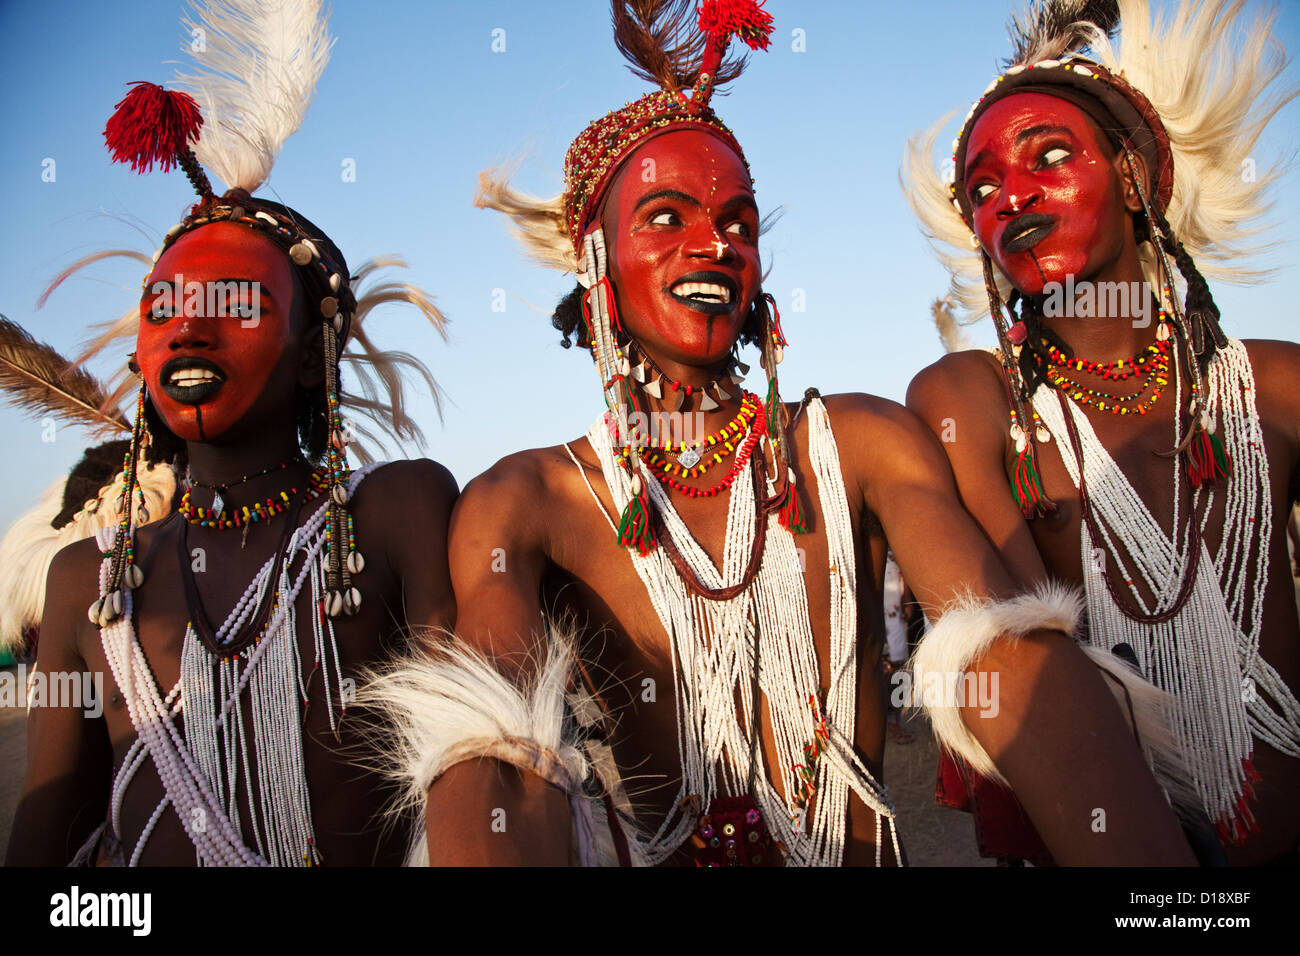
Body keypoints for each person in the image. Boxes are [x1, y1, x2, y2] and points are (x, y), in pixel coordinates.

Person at [365, 0, 1194, 867]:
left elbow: (1007, 653)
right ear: (596, 261)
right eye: (665, 218)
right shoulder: (522, 500)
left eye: (739, 224)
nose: (713, 245)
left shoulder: (862, 442)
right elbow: (498, 752)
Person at [5, 0, 455, 866]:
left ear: (308, 354)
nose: (189, 330)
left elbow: (469, 775)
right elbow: (43, 842)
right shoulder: (88, 579)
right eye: (163, 307)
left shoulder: (397, 512)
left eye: (237, 304)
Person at [904, 0, 1300, 865]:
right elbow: (1023, 656)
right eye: (980, 188)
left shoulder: (1273, 382)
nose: (1011, 195)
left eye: (1050, 156)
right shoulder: (973, 398)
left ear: (1131, 178)